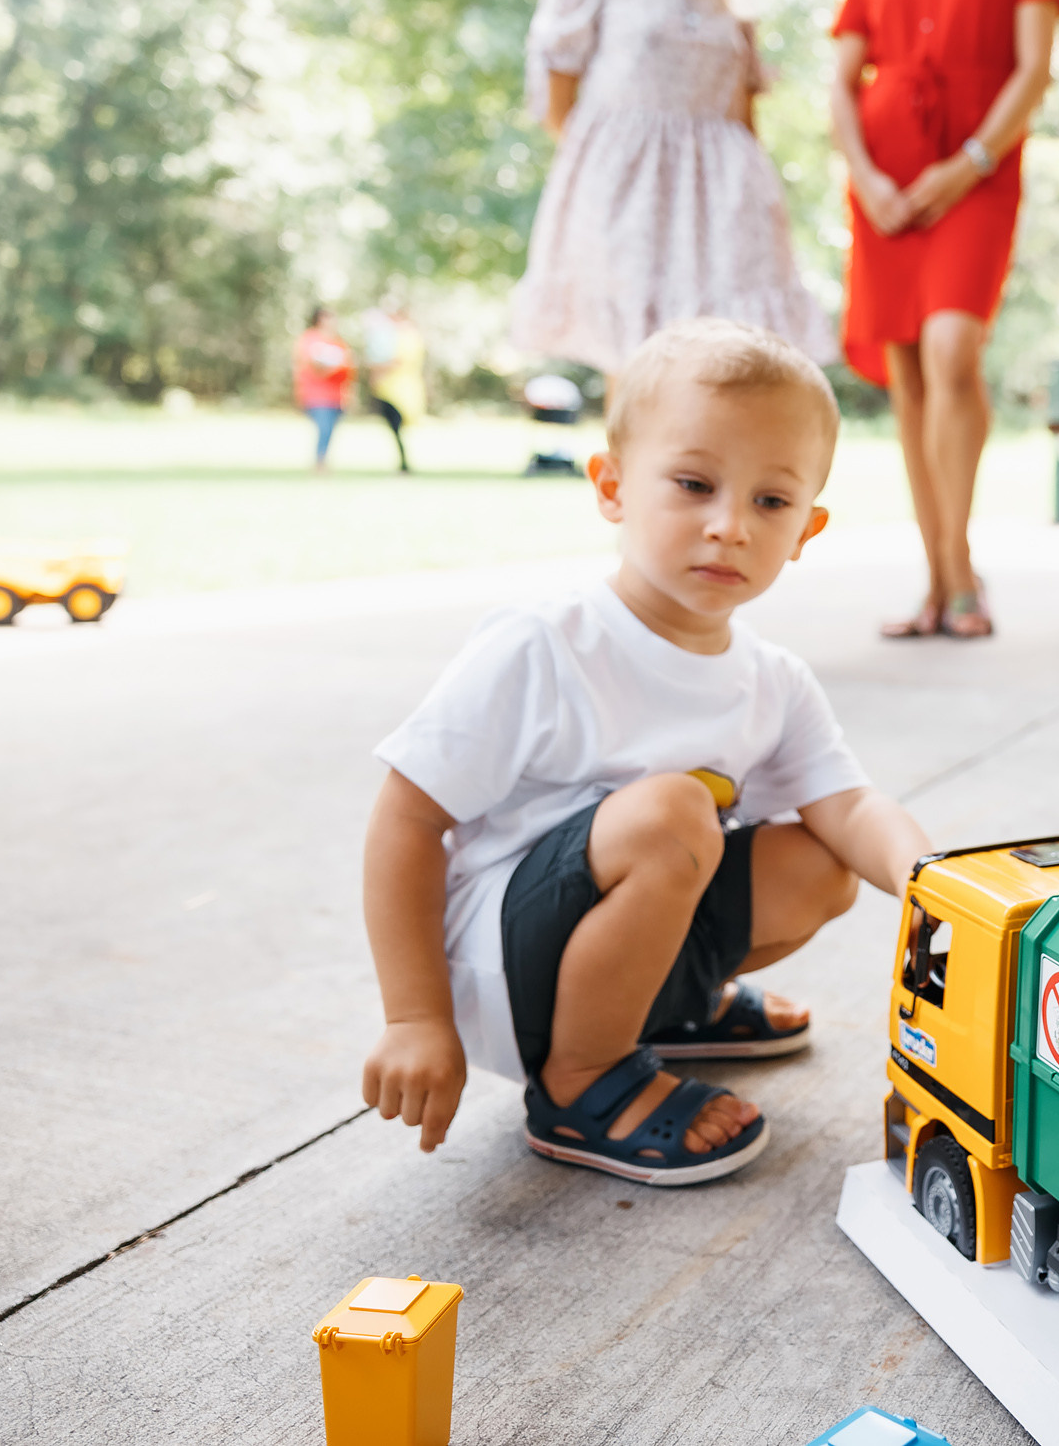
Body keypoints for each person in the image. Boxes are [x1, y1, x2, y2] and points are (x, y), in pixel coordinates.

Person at [359, 320, 929, 1184]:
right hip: (505, 970)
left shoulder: (771, 678)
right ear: (613, 486)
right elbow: (405, 819)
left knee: (821, 863)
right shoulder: (545, 643)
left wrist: (937, 883)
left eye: (769, 502)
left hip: (618, 926)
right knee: (673, 811)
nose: (730, 526)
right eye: (695, 484)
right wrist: (414, 1016)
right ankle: (580, 1081)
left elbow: (848, 806)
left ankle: (661, 1010)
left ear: (807, 528)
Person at [829, 0, 1059, 639]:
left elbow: (1032, 70)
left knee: (951, 348)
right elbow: (840, 81)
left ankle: (960, 568)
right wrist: (867, 178)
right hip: (886, 192)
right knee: (905, 378)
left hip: (973, 181)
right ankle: (935, 582)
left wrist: (967, 162)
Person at [513, 0, 835, 379]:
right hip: (628, 195)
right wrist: (609, 175)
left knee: (717, 365)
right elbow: (557, 100)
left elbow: (742, 112)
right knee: (637, 362)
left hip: (725, 205)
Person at [360, 303, 428, 474]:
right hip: (391, 388)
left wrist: (375, 368)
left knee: (398, 426)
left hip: (401, 390)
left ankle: (404, 464)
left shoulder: (408, 337)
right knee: (395, 427)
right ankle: (403, 463)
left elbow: (397, 361)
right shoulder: (395, 336)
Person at [293, 307, 351, 474]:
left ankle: (323, 461)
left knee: (330, 431)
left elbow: (348, 367)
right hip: (316, 395)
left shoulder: (338, 341)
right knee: (324, 428)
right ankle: (319, 464)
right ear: (320, 319)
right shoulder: (309, 339)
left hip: (336, 395)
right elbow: (311, 365)